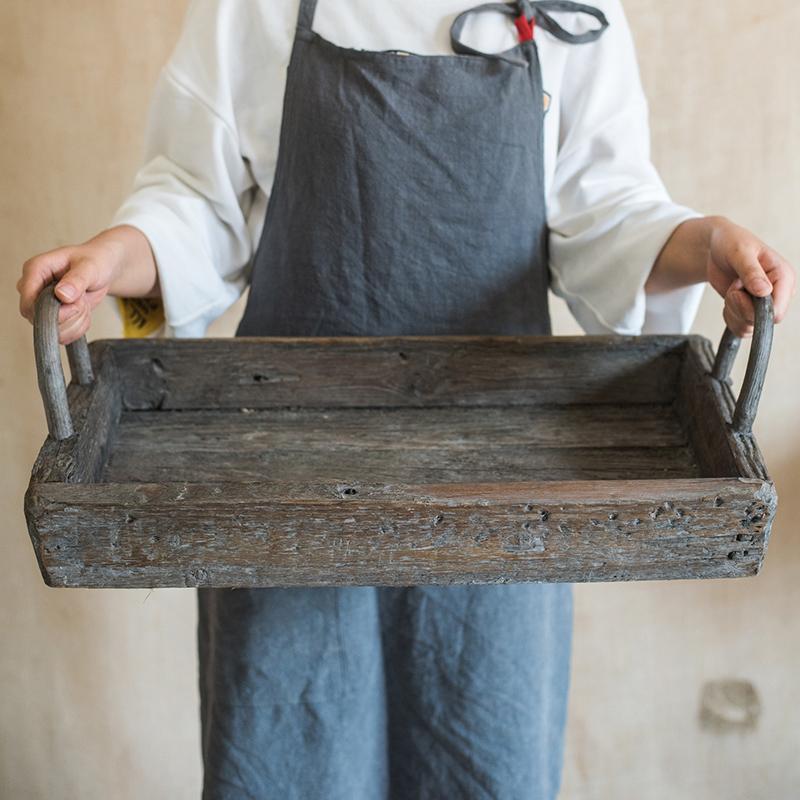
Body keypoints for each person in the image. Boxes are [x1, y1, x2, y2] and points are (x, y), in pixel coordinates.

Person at [16, 1, 795, 797]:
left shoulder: (570, 13)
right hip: (280, 486)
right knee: (285, 750)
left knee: (482, 749)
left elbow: (609, 215)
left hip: (505, 498)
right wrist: (111, 260)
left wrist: (706, 246)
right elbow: (194, 202)